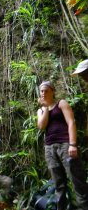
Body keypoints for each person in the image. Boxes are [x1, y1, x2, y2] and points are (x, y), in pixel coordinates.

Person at [37, 81, 88, 210]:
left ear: (53, 91)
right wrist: (46, 109)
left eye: (46, 90)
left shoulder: (61, 104)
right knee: (59, 185)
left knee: (77, 180)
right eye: (41, 91)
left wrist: (72, 144)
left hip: (65, 145)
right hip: (49, 149)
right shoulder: (41, 110)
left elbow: (71, 122)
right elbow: (42, 126)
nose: (43, 93)